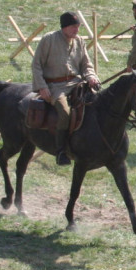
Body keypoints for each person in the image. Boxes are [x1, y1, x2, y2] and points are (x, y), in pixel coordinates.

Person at [32, 11, 101, 165]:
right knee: (64, 113)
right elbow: (36, 65)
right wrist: (42, 87)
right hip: (56, 86)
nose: (77, 30)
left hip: (77, 83)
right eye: (73, 27)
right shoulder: (49, 39)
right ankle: (61, 150)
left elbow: (86, 65)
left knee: (97, 103)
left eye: (78, 27)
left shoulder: (80, 41)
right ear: (64, 27)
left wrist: (91, 77)